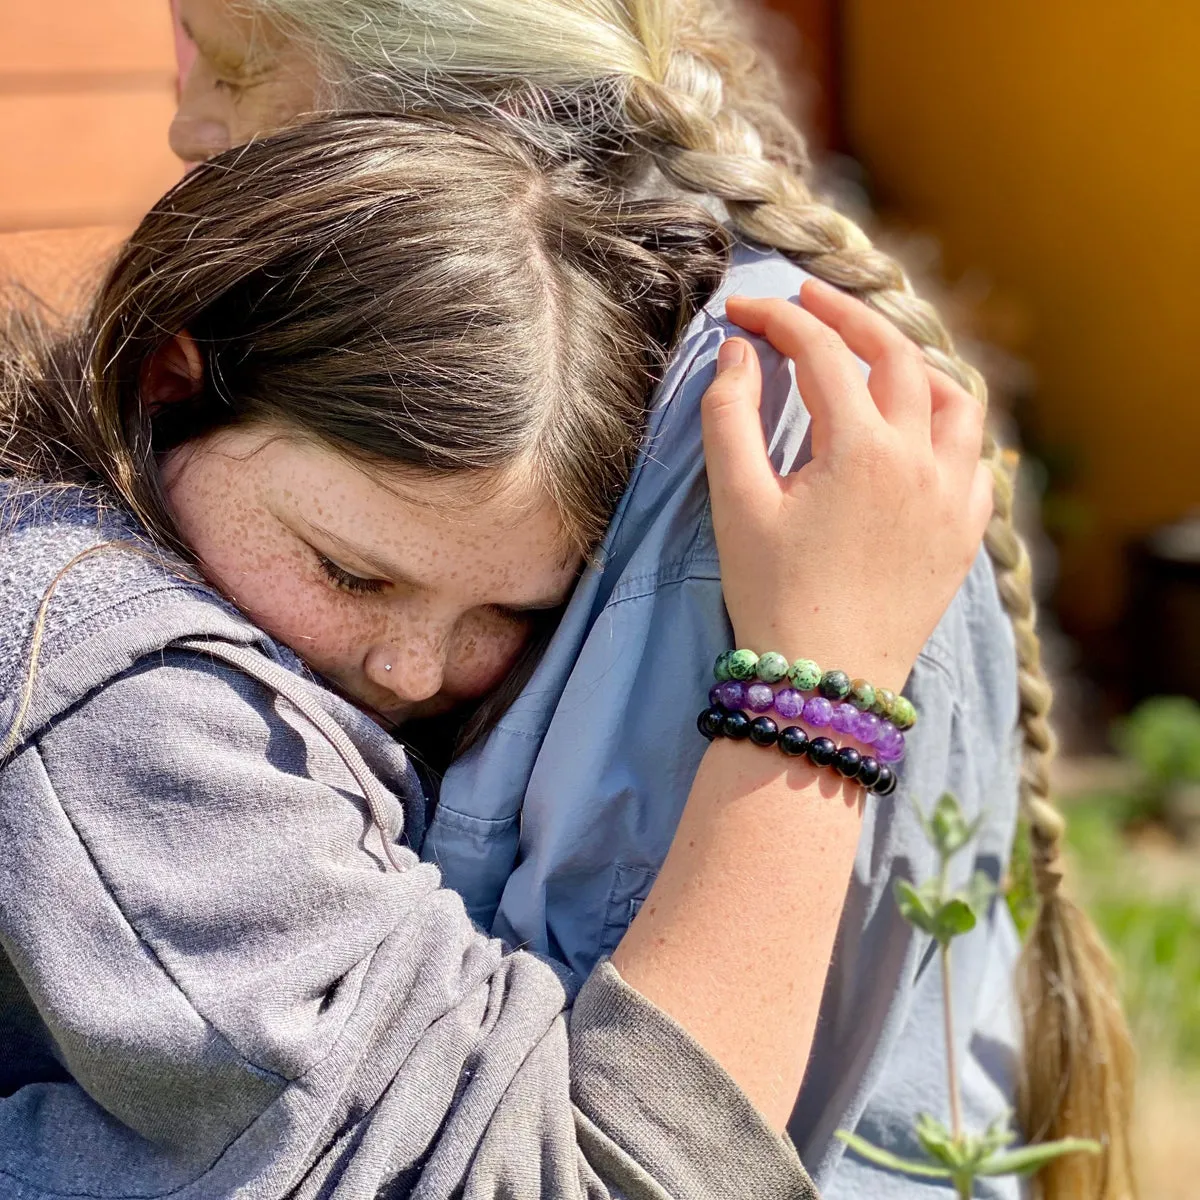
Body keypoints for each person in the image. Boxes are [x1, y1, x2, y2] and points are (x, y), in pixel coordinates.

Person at [163, 4, 1135, 1197]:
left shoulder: (750, 437)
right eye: (184, 37)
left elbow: (624, 1162)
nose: (187, 123)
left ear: (462, 73)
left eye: (243, 59)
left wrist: (812, 697)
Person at [0, 113, 989, 1197]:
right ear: (168, 384)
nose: (417, 671)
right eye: (353, 573)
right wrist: (821, 688)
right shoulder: (117, 699)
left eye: (508, 616)